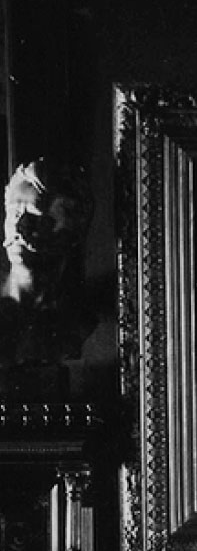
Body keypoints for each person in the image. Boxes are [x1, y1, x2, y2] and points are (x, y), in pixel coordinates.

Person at [0, 158, 95, 389]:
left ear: (72, 233)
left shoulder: (80, 321)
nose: (18, 230)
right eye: (14, 213)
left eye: (38, 219)